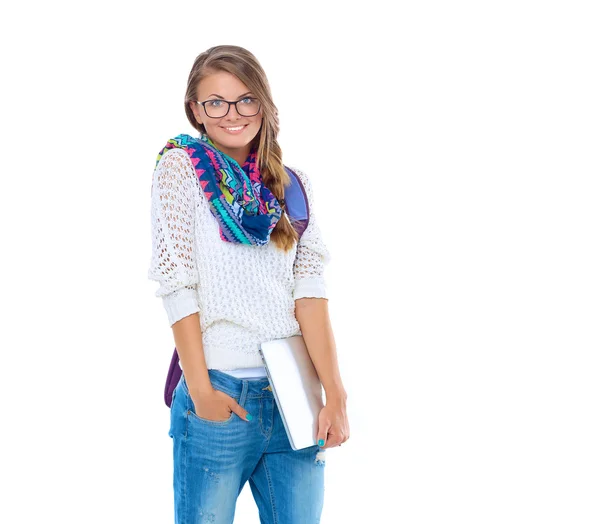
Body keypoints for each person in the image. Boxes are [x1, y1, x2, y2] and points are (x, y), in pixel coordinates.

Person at [148, 44, 349, 524]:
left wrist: (334, 396)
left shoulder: (291, 184)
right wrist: (201, 393)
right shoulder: (181, 170)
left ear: (264, 104)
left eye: (245, 100)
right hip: (219, 391)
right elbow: (178, 284)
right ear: (195, 110)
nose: (231, 114)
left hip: (293, 398)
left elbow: (311, 295)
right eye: (215, 102)